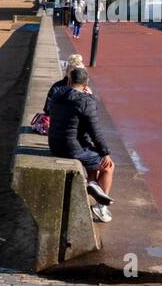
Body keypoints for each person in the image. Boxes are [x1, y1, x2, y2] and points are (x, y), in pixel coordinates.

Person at [47, 66, 115, 222]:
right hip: (72, 148)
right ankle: (101, 208)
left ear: (69, 81)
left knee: (91, 153)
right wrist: (106, 153)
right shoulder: (85, 101)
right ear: (86, 85)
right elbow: (95, 131)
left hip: (55, 145)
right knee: (108, 166)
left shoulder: (58, 94)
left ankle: (92, 183)